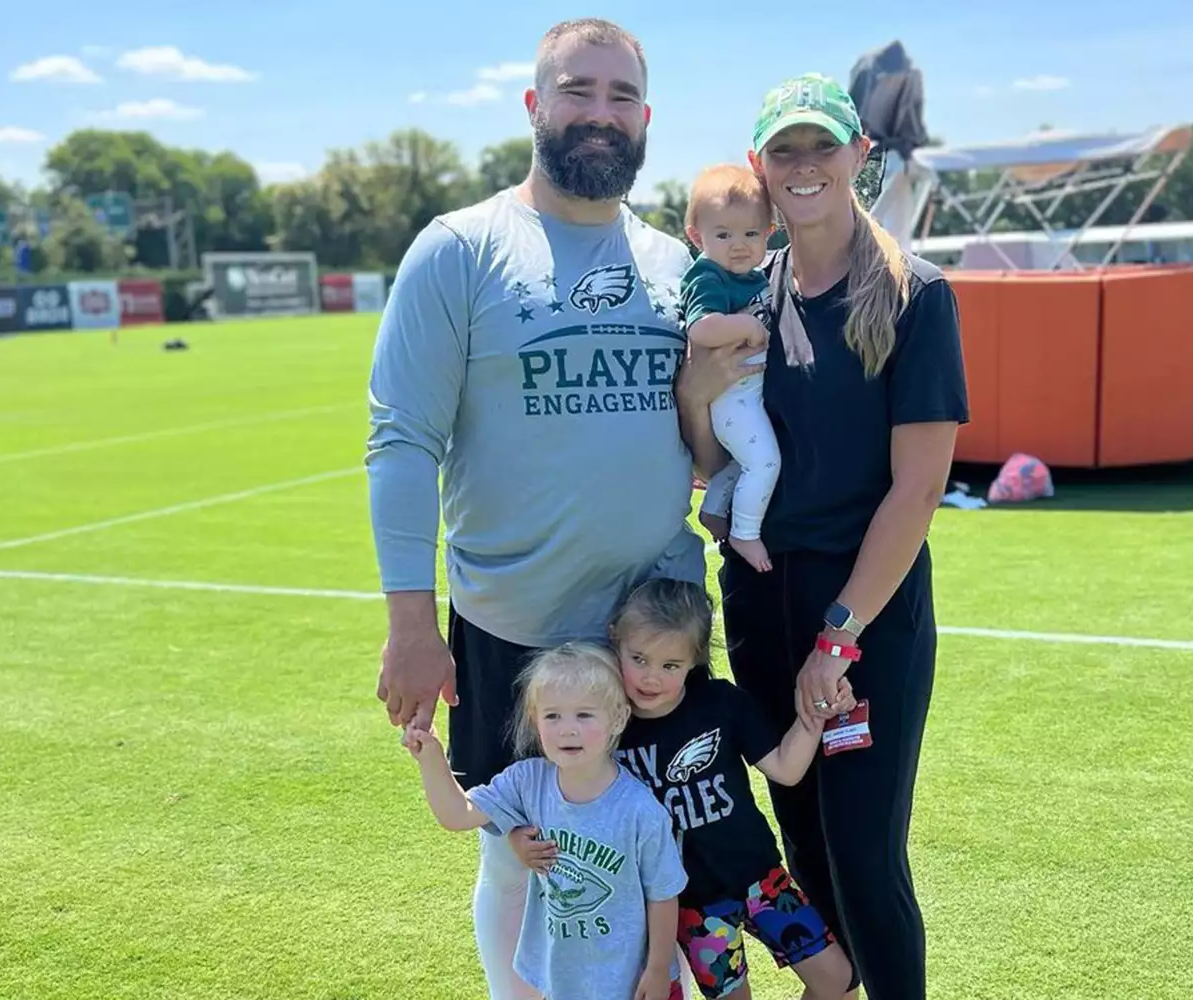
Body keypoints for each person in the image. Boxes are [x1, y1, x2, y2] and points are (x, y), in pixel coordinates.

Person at [364, 17, 756, 1000]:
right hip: (518, 632)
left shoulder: (677, 267)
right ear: (535, 106)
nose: (600, 113)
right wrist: (411, 623)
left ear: (646, 119)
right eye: (578, 91)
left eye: (621, 97)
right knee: (525, 855)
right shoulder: (460, 250)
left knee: (651, 852)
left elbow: (701, 450)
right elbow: (401, 439)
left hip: (652, 634)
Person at [686, 73, 970, 999]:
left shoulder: (914, 295)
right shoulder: (744, 296)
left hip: (864, 616)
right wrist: (696, 384)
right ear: (761, 171)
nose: (804, 166)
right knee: (801, 838)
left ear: (860, 155)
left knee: (861, 849)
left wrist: (838, 637)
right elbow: (705, 459)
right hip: (763, 601)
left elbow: (919, 490)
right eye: (784, 151)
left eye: (822, 147)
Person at [512, 578, 856, 999]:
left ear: (693, 661)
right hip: (693, 905)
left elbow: (786, 769)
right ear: (614, 640)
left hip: (761, 879)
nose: (651, 677)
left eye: (670, 666)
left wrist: (816, 715)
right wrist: (516, 836)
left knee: (837, 981)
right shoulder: (607, 724)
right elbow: (556, 789)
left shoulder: (721, 704)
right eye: (638, 658)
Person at [401, 642, 689, 1000]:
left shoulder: (640, 810)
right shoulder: (527, 781)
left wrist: (659, 966)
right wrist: (430, 759)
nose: (567, 729)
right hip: (562, 976)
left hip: (627, 979)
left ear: (617, 718)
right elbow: (458, 815)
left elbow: (663, 893)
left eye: (584, 715)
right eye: (553, 716)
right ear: (535, 720)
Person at [680, 165, 778, 573]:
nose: (738, 245)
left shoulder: (753, 275)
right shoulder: (708, 275)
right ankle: (745, 532)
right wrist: (748, 325)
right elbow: (701, 328)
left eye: (750, 234)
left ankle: (715, 509)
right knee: (765, 462)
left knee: (741, 462)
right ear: (696, 235)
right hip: (731, 396)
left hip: (746, 393)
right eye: (723, 235)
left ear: (769, 233)